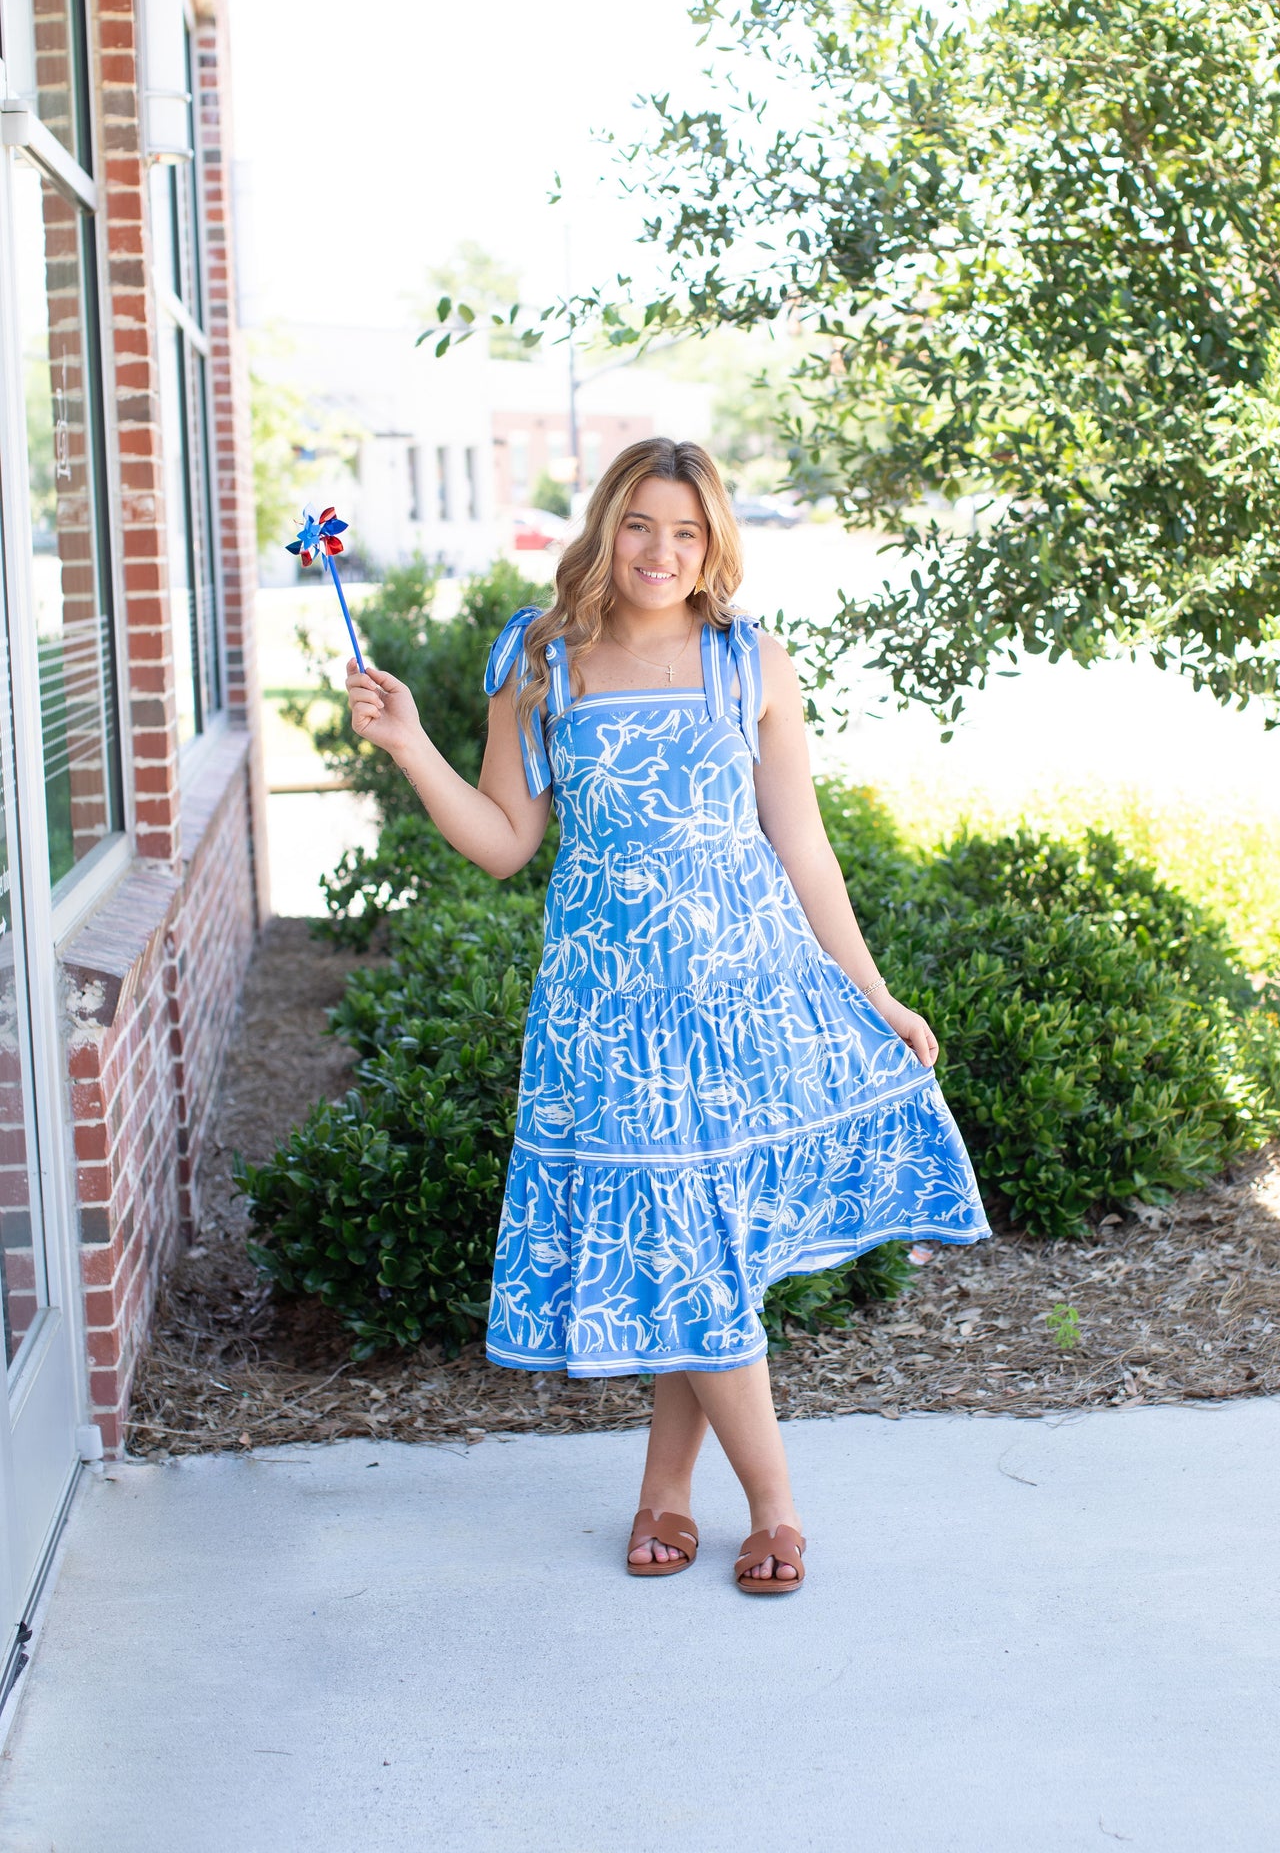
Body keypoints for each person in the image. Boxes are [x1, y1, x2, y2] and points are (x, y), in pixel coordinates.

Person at [346, 437, 989, 1593]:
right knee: (689, 1240)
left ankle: (678, 1497)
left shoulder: (750, 661)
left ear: (712, 543)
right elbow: (502, 844)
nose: (660, 549)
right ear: (606, 527)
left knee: (702, 1247)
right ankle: (765, 1508)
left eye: (685, 530)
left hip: (745, 1000)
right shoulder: (538, 660)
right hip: (608, 1014)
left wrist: (870, 990)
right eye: (640, 523)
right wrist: (407, 745)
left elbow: (801, 843)